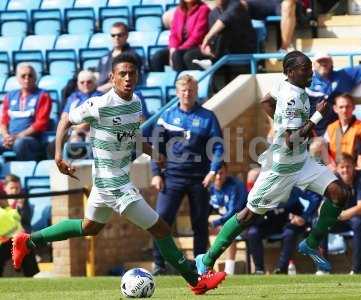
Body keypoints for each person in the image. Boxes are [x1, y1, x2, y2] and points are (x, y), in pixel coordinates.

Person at [11, 53, 226, 295]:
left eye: (131, 73)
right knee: (161, 229)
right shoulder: (99, 104)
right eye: (122, 73)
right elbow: (64, 121)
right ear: (112, 77)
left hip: (112, 181)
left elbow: (132, 136)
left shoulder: (135, 103)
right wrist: (58, 156)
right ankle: (195, 280)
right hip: (113, 184)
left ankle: (27, 241)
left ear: (137, 76)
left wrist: (153, 153)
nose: (127, 78)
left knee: (90, 227)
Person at [194, 51, 350, 276]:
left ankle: (311, 242)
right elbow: (290, 141)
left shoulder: (286, 85)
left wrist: (279, 120)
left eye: (310, 68)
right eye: (305, 69)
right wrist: (316, 117)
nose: (311, 73)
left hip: (301, 161)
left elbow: (265, 100)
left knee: (340, 193)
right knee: (248, 215)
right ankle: (207, 259)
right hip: (281, 168)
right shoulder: (291, 98)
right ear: (290, 72)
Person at [150, 74, 224, 275]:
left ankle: (201, 266)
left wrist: (213, 171)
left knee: (200, 223)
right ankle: (158, 264)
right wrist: (156, 173)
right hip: (171, 177)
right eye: (183, 90)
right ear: (177, 92)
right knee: (161, 220)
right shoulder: (166, 116)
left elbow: (218, 146)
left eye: (190, 90)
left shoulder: (208, 117)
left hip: (199, 178)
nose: (187, 93)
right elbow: (156, 147)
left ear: (196, 92)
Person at [307, 53, 361, 135]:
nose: (323, 64)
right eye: (320, 62)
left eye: (326, 61)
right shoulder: (305, 82)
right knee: (315, 146)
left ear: (332, 63)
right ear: (314, 64)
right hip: (315, 130)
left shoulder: (344, 76)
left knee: (341, 144)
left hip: (338, 129)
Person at [0, 64, 52, 161]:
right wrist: (6, 136)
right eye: (23, 76)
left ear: (35, 77)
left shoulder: (43, 95)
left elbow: (41, 123)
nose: (27, 78)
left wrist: (18, 136)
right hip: (10, 137)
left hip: (32, 139)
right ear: (17, 78)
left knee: (20, 143)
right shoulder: (10, 95)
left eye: (30, 75)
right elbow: (3, 121)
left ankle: (22, 171)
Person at [150, 0, 210, 72]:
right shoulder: (178, 11)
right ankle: (160, 82)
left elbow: (197, 37)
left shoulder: (203, 9)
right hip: (179, 48)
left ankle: (181, 82)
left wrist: (178, 50)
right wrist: (172, 49)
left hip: (195, 47)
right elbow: (173, 34)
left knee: (177, 55)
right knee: (157, 57)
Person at [208, 162, 247, 275]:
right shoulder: (209, 188)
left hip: (243, 221)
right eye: (216, 173)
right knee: (202, 230)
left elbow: (234, 212)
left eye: (221, 173)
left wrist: (215, 223)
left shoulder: (235, 186)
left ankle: (229, 271)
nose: (219, 176)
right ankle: (207, 268)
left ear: (226, 173)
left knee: (229, 231)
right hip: (223, 220)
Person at [0, 174, 39, 277]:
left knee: (27, 246)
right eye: (12, 188)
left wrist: (20, 208)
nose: (14, 191)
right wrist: (11, 207)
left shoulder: (23, 201)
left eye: (17, 188)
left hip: (19, 239)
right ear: (5, 188)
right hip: (3, 240)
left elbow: (26, 222)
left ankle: (30, 277)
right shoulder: (1, 201)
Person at [97, 22, 143, 93]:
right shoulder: (104, 57)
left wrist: (99, 90)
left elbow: (126, 80)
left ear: (127, 35)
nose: (116, 38)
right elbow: (98, 76)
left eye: (119, 35)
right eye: (113, 35)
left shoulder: (132, 56)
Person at [323, 94, 361, 168]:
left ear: (353, 107)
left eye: (347, 107)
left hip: (355, 169)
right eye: (341, 107)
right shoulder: (331, 128)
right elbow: (324, 150)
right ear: (335, 109)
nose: (344, 110)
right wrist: (331, 165)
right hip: (335, 168)